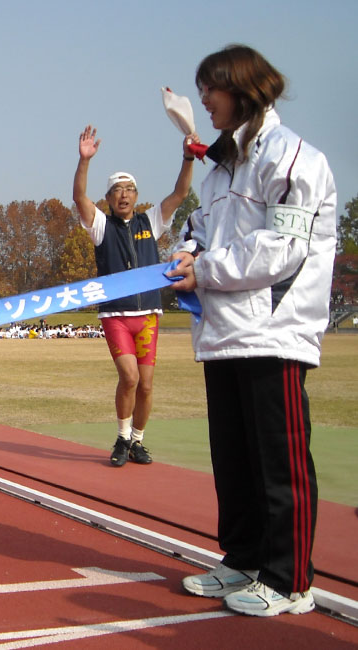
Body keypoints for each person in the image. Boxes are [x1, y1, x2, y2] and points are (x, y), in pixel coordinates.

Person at [168, 45, 336, 617]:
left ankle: (290, 580)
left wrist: (205, 268)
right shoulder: (219, 173)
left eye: (210, 89)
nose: (205, 102)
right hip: (223, 334)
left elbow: (282, 249)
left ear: (241, 89)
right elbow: (195, 228)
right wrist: (186, 254)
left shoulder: (293, 159)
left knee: (278, 461)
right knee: (233, 458)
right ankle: (241, 560)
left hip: (274, 334)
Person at [72, 125, 198, 467]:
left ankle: (137, 441)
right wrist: (84, 161)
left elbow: (181, 192)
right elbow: (80, 198)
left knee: (145, 385)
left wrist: (187, 157)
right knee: (128, 377)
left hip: (148, 316)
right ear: (110, 198)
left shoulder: (150, 221)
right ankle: (122, 437)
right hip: (116, 316)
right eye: (117, 190)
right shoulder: (101, 226)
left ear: (136, 195)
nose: (123, 195)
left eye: (129, 189)